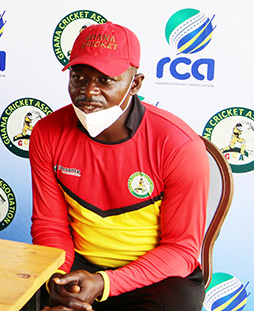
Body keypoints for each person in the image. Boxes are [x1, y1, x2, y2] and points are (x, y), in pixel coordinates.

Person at [29, 22, 209, 310]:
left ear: (135, 84)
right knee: (15, 295)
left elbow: (181, 250)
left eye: (105, 80)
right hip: (76, 267)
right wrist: (59, 281)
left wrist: (104, 283)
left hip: (154, 276)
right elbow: (50, 225)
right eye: (79, 77)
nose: (88, 92)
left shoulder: (178, 145)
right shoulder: (47, 132)